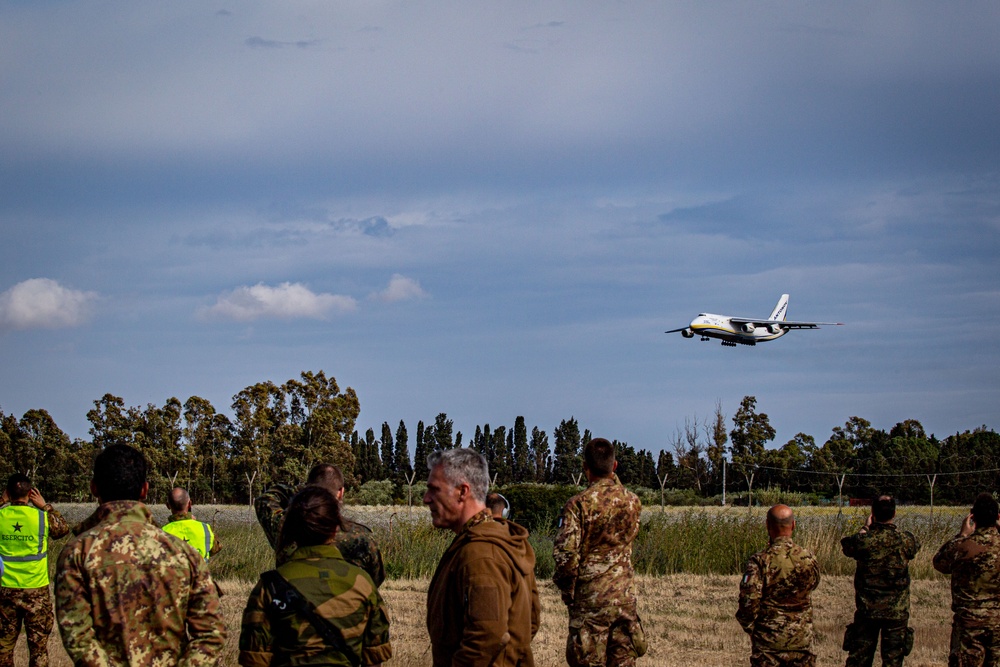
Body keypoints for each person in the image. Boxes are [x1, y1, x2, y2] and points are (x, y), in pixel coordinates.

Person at [55, 444, 226, 665]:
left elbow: (77, 636)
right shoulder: (184, 553)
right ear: (144, 490)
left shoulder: (77, 553)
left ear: (93, 488)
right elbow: (211, 634)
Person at [239, 485, 392, 666]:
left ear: (291, 529)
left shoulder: (268, 587)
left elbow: (254, 659)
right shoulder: (363, 584)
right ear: (336, 529)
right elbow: (374, 658)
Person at [424, 448, 540, 667]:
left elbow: (487, 637)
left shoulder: (481, 554)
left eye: (434, 490)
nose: (426, 499)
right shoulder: (496, 541)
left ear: (462, 492)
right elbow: (531, 621)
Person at [553, 438, 645, 667]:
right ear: (615, 466)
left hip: (590, 601)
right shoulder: (633, 501)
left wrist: (569, 594)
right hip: (624, 598)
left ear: (586, 468)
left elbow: (565, 556)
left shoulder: (578, 504)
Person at [256, 463, 385, 586]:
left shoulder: (286, 527)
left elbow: (265, 500)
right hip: (347, 605)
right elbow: (374, 580)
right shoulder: (361, 537)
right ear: (341, 493)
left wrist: (300, 490)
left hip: (295, 604)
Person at [840, 495, 920, 667]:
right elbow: (915, 546)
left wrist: (865, 528)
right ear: (895, 513)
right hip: (896, 612)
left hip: (868, 610)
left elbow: (848, 546)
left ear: (872, 513)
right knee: (893, 662)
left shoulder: (864, 541)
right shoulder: (905, 540)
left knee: (859, 660)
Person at [737, 504, 821, 667]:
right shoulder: (809, 558)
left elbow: (748, 601)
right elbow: (813, 585)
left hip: (769, 644)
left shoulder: (761, 561)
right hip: (801, 641)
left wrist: (753, 629)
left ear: (767, 525)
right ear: (793, 525)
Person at [0, 474, 70, 667]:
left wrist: (2, 500)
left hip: (5, 589)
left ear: (8, 493)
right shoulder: (41, 518)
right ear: (31, 494)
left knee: (3, 648)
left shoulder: (1, 516)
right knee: (38, 650)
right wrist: (45, 506)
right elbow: (63, 529)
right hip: (36, 591)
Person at [933, 492, 1000, 667]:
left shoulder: (963, 547)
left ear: (973, 517)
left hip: (968, 624)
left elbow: (940, 562)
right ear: (998, 517)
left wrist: (962, 535)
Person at [163, 487, 220, 560]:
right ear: (190, 503)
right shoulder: (205, 528)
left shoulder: (161, 532)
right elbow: (216, 548)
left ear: (168, 505)